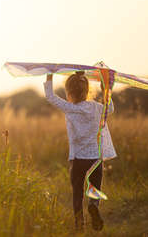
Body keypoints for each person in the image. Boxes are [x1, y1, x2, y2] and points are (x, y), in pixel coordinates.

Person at [43, 71, 116, 232]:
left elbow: (50, 96)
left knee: (77, 192)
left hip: (77, 159)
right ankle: (93, 205)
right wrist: (106, 89)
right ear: (87, 90)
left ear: (68, 93)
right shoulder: (97, 108)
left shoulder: (69, 108)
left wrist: (49, 74)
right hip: (96, 158)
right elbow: (109, 108)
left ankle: (79, 224)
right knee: (95, 187)